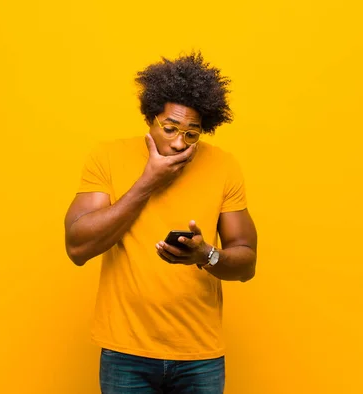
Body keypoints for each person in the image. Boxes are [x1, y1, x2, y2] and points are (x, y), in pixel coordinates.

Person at [64, 51, 258, 394]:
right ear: (150, 118)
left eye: (192, 134)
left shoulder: (224, 166)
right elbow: (77, 246)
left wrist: (206, 256)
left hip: (199, 354)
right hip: (126, 352)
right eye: (169, 128)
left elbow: (246, 262)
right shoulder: (107, 157)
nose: (178, 142)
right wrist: (147, 183)